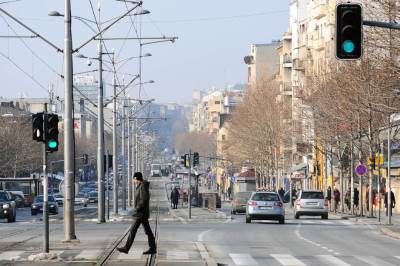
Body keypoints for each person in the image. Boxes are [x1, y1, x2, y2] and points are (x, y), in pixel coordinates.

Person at [117, 172, 156, 255]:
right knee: (148, 231)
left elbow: (144, 199)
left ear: (136, 178)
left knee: (132, 230)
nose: (133, 180)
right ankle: (153, 248)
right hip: (142, 213)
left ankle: (126, 248)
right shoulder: (141, 186)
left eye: (133, 178)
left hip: (140, 213)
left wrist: (136, 208)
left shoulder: (142, 186)